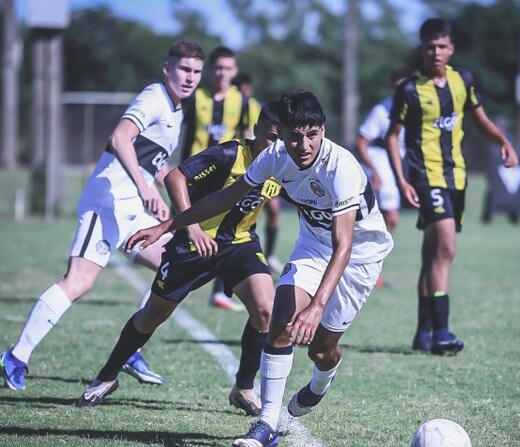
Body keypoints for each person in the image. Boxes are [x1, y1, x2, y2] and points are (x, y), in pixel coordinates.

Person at [124, 89, 394, 447]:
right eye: (295, 136)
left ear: (323, 131)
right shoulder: (274, 158)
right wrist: (165, 226)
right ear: (280, 132)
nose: (304, 144)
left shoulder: (340, 167)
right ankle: (266, 425)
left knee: (321, 350)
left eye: (313, 134)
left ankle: (319, 383)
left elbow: (344, 244)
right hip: (313, 246)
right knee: (280, 319)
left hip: (359, 255)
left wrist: (315, 308)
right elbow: (224, 197)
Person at [0, 41, 205, 390]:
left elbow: (149, 158)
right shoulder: (155, 96)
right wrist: (145, 190)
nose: (190, 77)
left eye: (196, 72)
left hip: (133, 209)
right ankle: (16, 356)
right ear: (167, 68)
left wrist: (159, 188)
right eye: (184, 69)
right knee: (78, 282)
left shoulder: (177, 110)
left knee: (178, 263)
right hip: (107, 201)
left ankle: (129, 350)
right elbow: (121, 138)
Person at [76, 102, 281, 414]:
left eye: (283, 140)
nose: (276, 146)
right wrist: (194, 228)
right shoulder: (229, 154)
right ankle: (106, 377)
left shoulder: (284, 163)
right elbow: (175, 177)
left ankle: (243, 387)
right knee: (152, 316)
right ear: (256, 131)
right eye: (271, 137)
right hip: (193, 246)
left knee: (265, 310)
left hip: (240, 244)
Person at [384, 18, 519, 355]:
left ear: (451, 49)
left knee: (433, 255)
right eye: (430, 47)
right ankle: (442, 332)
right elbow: (392, 136)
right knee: (447, 248)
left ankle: (423, 332)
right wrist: (402, 180)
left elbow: (481, 119)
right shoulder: (410, 90)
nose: (436, 52)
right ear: (422, 50)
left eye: (442, 46)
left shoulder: (463, 81)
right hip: (426, 176)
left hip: (456, 177)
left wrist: (503, 141)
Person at [181, 46, 263, 310]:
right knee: (186, 241)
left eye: (228, 68)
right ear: (210, 70)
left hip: (227, 180)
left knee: (230, 231)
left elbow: (252, 135)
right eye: (218, 67)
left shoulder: (243, 102)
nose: (222, 73)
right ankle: (170, 287)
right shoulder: (194, 97)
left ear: (235, 71)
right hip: (194, 179)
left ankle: (220, 289)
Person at [355, 68, 410, 287]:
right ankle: (368, 269)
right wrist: (373, 171)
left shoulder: (415, 109)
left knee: (390, 221)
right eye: (397, 87)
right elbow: (362, 142)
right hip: (379, 163)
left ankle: (372, 267)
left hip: (395, 167)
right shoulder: (381, 110)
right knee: (388, 217)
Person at [233, 71, 285, 276]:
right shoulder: (224, 104)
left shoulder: (255, 107)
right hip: (242, 161)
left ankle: (269, 254)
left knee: (273, 208)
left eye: (245, 90)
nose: (243, 94)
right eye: (239, 91)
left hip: (265, 164)